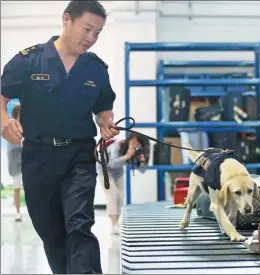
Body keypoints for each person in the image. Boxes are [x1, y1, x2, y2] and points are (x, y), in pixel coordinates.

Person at [0, 1, 120, 274]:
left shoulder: (95, 69)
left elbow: (104, 109)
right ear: (67, 20)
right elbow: (2, 92)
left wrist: (106, 123)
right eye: (87, 29)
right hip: (38, 158)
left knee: (79, 223)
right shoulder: (29, 60)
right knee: (51, 232)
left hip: (78, 156)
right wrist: (4, 121)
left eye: (98, 33)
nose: (91, 38)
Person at [98, 134, 150, 235]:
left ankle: (116, 223)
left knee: (120, 197)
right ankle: (113, 225)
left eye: (137, 144)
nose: (134, 146)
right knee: (113, 195)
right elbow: (111, 163)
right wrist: (127, 156)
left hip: (118, 173)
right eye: (133, 142)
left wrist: (143, 162)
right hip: (104, 170)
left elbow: (142, 171)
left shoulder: (137, 152)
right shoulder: (117, 145)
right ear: (129, 140)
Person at [7, 104, 23, 222]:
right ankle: (18, 212)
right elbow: (12, 150)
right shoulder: (12, 127)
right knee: (17, 188)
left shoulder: (28, 126)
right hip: (16, 164)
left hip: (29, 162)